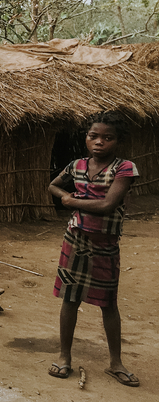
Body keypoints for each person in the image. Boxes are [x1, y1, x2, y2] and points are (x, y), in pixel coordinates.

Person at [47, 112, 139, 386]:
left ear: (118, 141)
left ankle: (116, 363)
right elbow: (53, 185)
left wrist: (72, 202)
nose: (99, 142)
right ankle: (64, 356)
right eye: (93, 136)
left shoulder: (124, 169)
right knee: (70, 299)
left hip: (105, 245)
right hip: (74, 242)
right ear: (86, 138)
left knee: (108, 303)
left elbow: (107, 205)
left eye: (107, 138)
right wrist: (64, 195)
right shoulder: (76, 165)